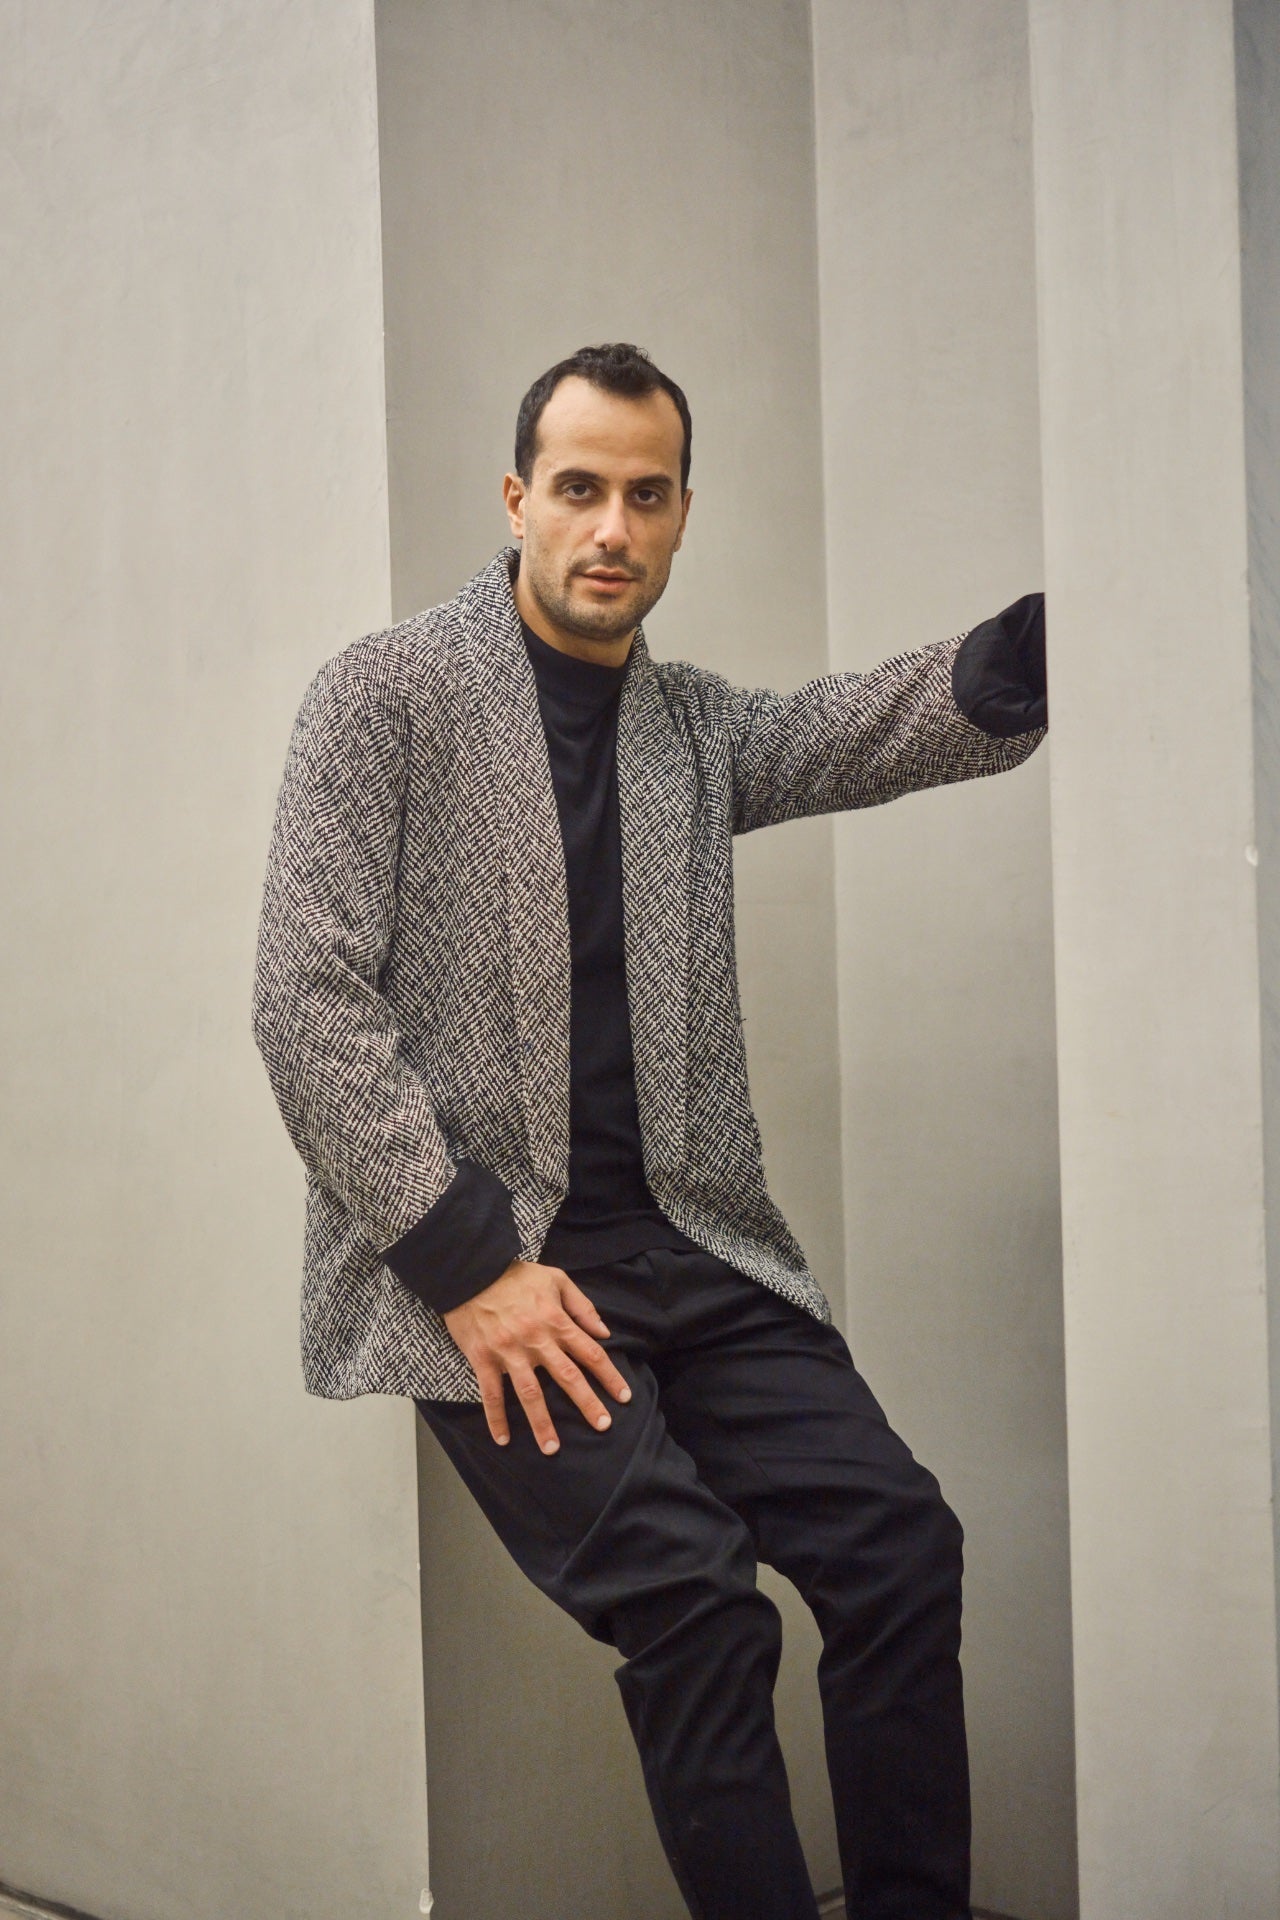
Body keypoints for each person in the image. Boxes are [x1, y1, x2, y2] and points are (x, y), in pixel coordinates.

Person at [252, 341, 1047, 1920]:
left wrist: (1090, 614)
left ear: (681, 512)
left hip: (693, 1249)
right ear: (517, 500)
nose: (611, 527)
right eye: (579, 489)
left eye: (647, 494)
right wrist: (474, 1270)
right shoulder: (384, 696)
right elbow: (304, 1001)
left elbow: (856, 726)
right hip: (497, 1275)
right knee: (696, 1606)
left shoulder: (687, 727)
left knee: (900, 1549)